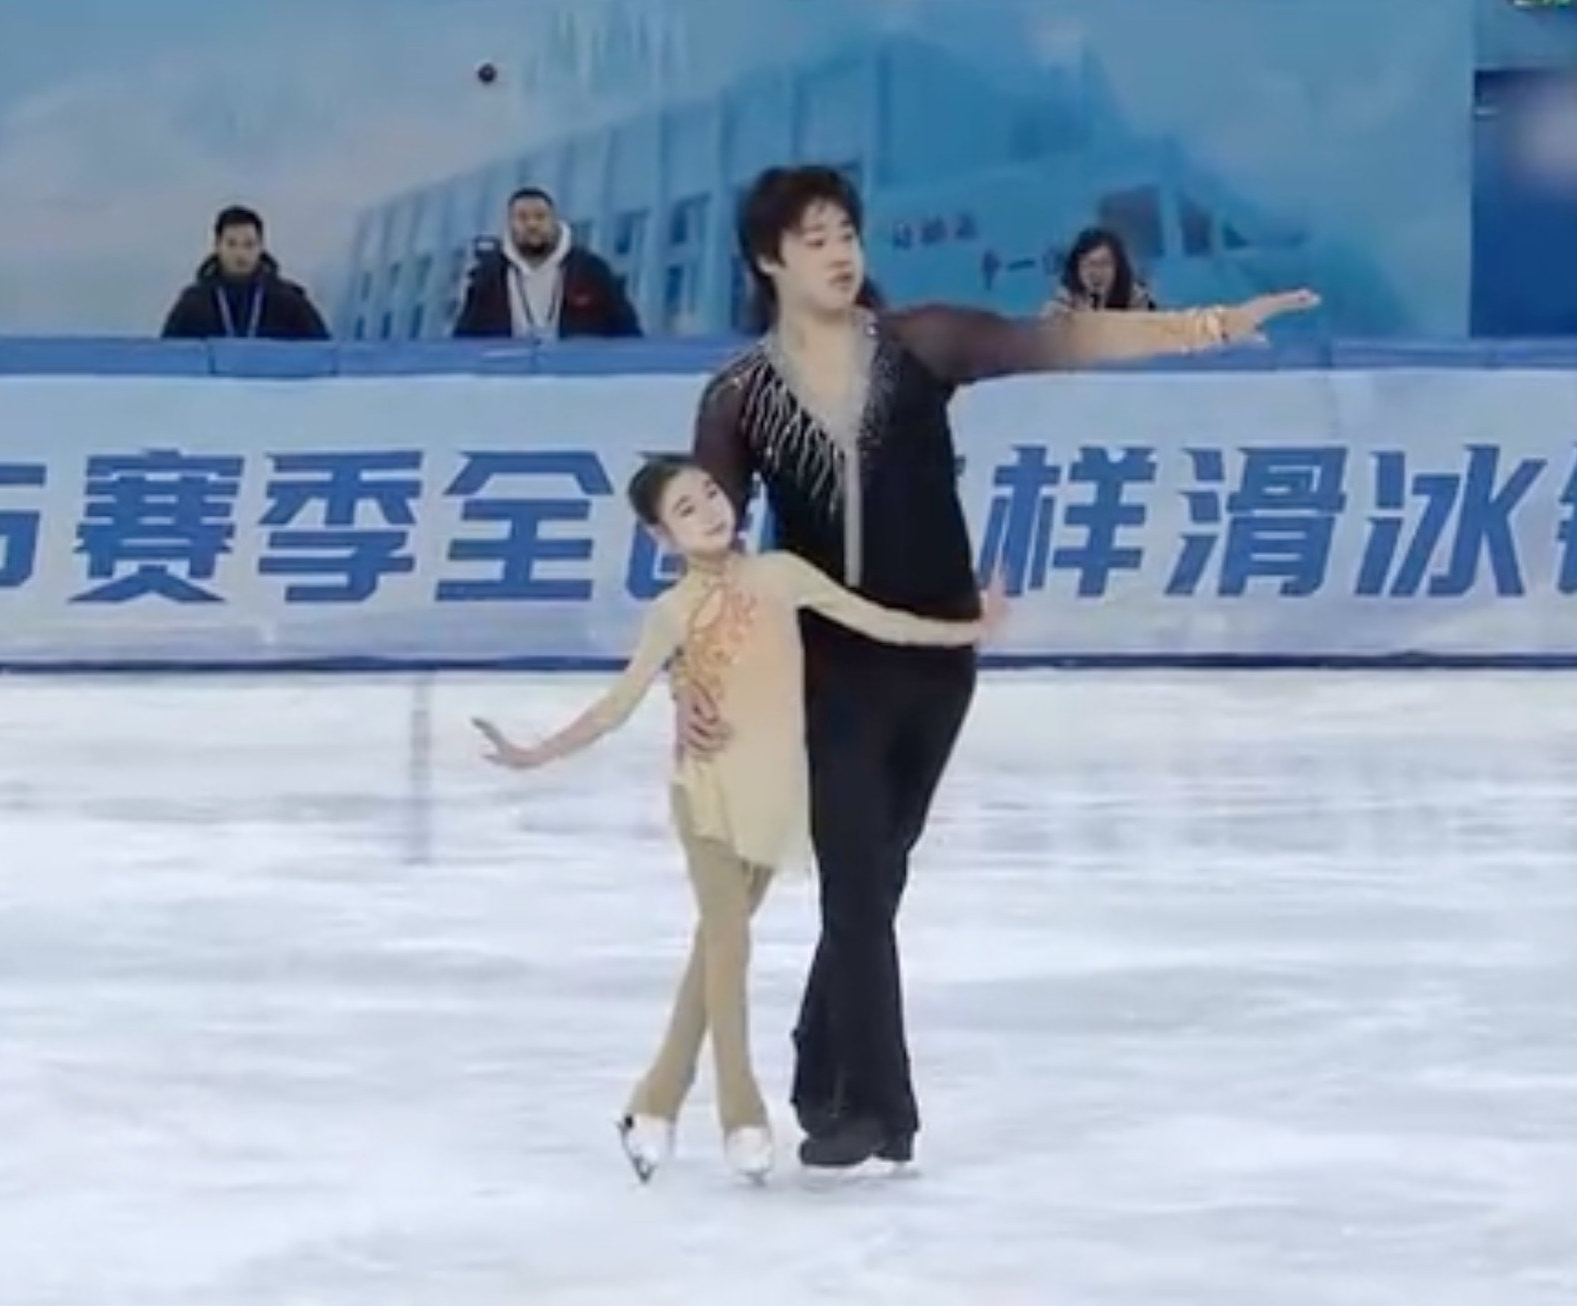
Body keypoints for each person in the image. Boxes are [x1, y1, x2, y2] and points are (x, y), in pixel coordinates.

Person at [684, 164, 1318, 1171]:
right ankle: (874, 1110)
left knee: (876, 875)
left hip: (937, 658)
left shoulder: (920, 343)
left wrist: (1203, 327)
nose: (840, 251)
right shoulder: (739, 397)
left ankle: (816, 1061)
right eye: (813, 238)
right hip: (826, 668)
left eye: (846, 229)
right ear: (768, 261)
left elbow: (1060, 338)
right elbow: (708, 552)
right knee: (852, 882)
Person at [471, 455, 1007, 1183]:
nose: (710, 511)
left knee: (713, 954)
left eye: (711, 495)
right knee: (729, 944)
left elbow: (880, 623)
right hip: (708, 796)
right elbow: (617, 704)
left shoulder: (782, 575)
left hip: (772, 796)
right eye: (686, 510)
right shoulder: (673, 612)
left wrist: (969, 628)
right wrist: (534, 754)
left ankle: (653, 1101)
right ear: (663, 538)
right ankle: (740, 1111)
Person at [453, 187, 643, 340]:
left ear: (554, 221)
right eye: (522, 218)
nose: (532, 225)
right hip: (505, 382)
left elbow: (628, 333)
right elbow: (463, 340)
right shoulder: (487, 277)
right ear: (510, 224)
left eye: (540, 216)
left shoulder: (592, 271)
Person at [159, 205, 331, 340]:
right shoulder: (192, 304)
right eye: (231, 244)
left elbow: (323, 353)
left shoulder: (290, 302)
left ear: (261, 247)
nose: (240, 254)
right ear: (217, 246)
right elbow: (168, 358)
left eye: (248, 244)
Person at [1042, 226, 1157, 316]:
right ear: (1076, 268)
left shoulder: (1136, 297)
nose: (1096, 272)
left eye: (1104, 263)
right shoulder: (1064, 300)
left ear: (1118, 267)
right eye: (1089, 264)